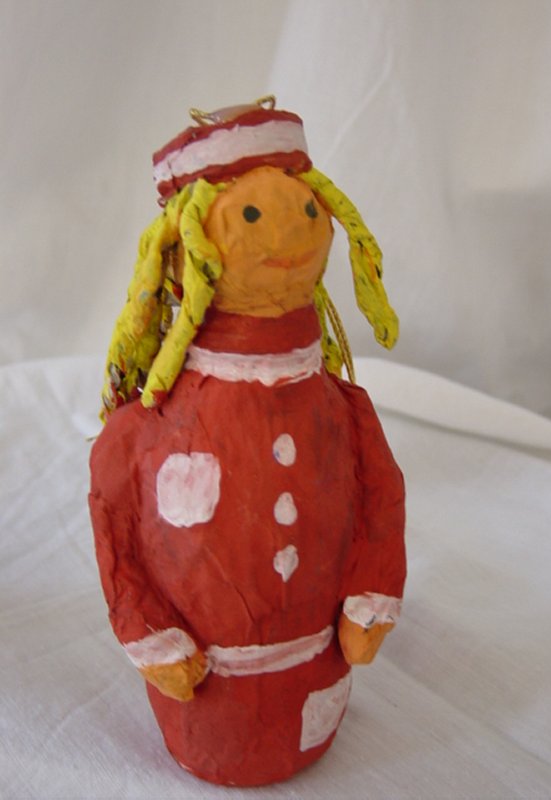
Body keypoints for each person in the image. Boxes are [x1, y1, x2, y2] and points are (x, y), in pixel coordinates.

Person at [89, 98, 406, 786]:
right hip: (205, 694)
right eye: (251, 215)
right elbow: (117, 531)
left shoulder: (344, 411)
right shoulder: (141, 431)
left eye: (304, 209)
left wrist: (372, 590)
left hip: (317, 671)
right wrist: (149, 631)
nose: (285, 231)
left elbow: (381, 501)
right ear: (183, 250)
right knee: (218, 733)